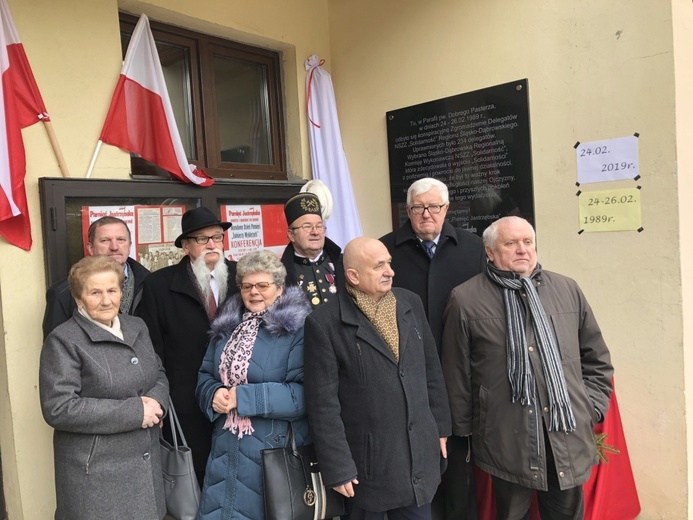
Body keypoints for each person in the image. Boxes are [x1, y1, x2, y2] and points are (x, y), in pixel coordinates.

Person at [441, 216, 613, 520]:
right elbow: (456, 374)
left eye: (528, 242)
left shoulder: (567, 289)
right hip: (506, 439)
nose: (522, 249)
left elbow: (596, 358)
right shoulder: (465, 299)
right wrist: (470, 431)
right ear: (490, 252)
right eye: (511, 243)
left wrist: (590, 408)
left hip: (566, 432)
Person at [304, 237, 451, 520]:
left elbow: (431, 370)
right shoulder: (324, 323)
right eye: (378, 265)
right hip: (367, 467)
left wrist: (441, 428)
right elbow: (323, 406)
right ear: (353, 275)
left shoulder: (409, 302)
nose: (390, 271)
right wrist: (338, 467)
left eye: (389, 263)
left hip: (418, 457)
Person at [380, 177, 486, 519]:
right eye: (418, 208)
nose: (427, 214)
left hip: (460, 372)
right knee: (412, 464)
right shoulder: (386, 252)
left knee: (457, 467)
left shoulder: (473, 248)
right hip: (402, 373)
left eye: (434, 207)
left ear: (447, 209)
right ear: (407, 211)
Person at [39, 255, 168, 520]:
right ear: (78, 298)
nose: (106, 300)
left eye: (112, 290)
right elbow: (59, 407)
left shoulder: (137, 326)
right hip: (97, 472)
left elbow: (159, 373)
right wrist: (135, 412)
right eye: (95, 292)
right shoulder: (64, 340)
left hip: (146, 462)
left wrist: (157, 403)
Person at [195, 250, 312, 519]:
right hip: (225, 447)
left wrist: (243, 398)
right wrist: (212, 394)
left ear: (280, 288)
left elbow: (305, 395)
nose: (254, 292)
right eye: (247, 286)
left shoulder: (300, 329)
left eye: (263, 285)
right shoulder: (227, 327)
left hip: (275, 450)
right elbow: (204, 375)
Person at [137, 206, 238, 485]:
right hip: (186, 402)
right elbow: (151, 350)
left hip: (238, 398)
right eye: (202, 239)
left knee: (238, 477)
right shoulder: (159, 285)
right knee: (195, 481)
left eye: (217, 237)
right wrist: (159, 400)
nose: (212, 245)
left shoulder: (243, 277)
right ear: (185, 246)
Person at [42, 216, 150, 340]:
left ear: (129, 246)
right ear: (90, 248)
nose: (114, 247)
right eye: (105, 240)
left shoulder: (151, 284)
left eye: (121, 239)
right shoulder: (62, 293)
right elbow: (56, 348)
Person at [280, 192, 344, 308]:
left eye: (319, 226)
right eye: (307, 226)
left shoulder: (343, 262)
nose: (315, 232)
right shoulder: (280, 273)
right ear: (291, 235)